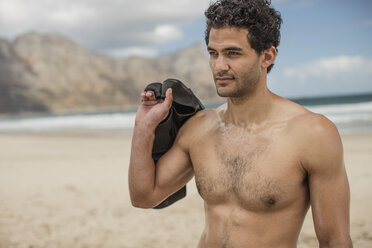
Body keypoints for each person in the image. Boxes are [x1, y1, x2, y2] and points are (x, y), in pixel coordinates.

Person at [128, 0, 353, 247]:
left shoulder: (312, 134)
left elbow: (335, 240)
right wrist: (143, 128)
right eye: (213, 53)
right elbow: (144, 196)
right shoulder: (199, 128)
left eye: (232, 53)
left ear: (267, 56)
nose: (219, 66)